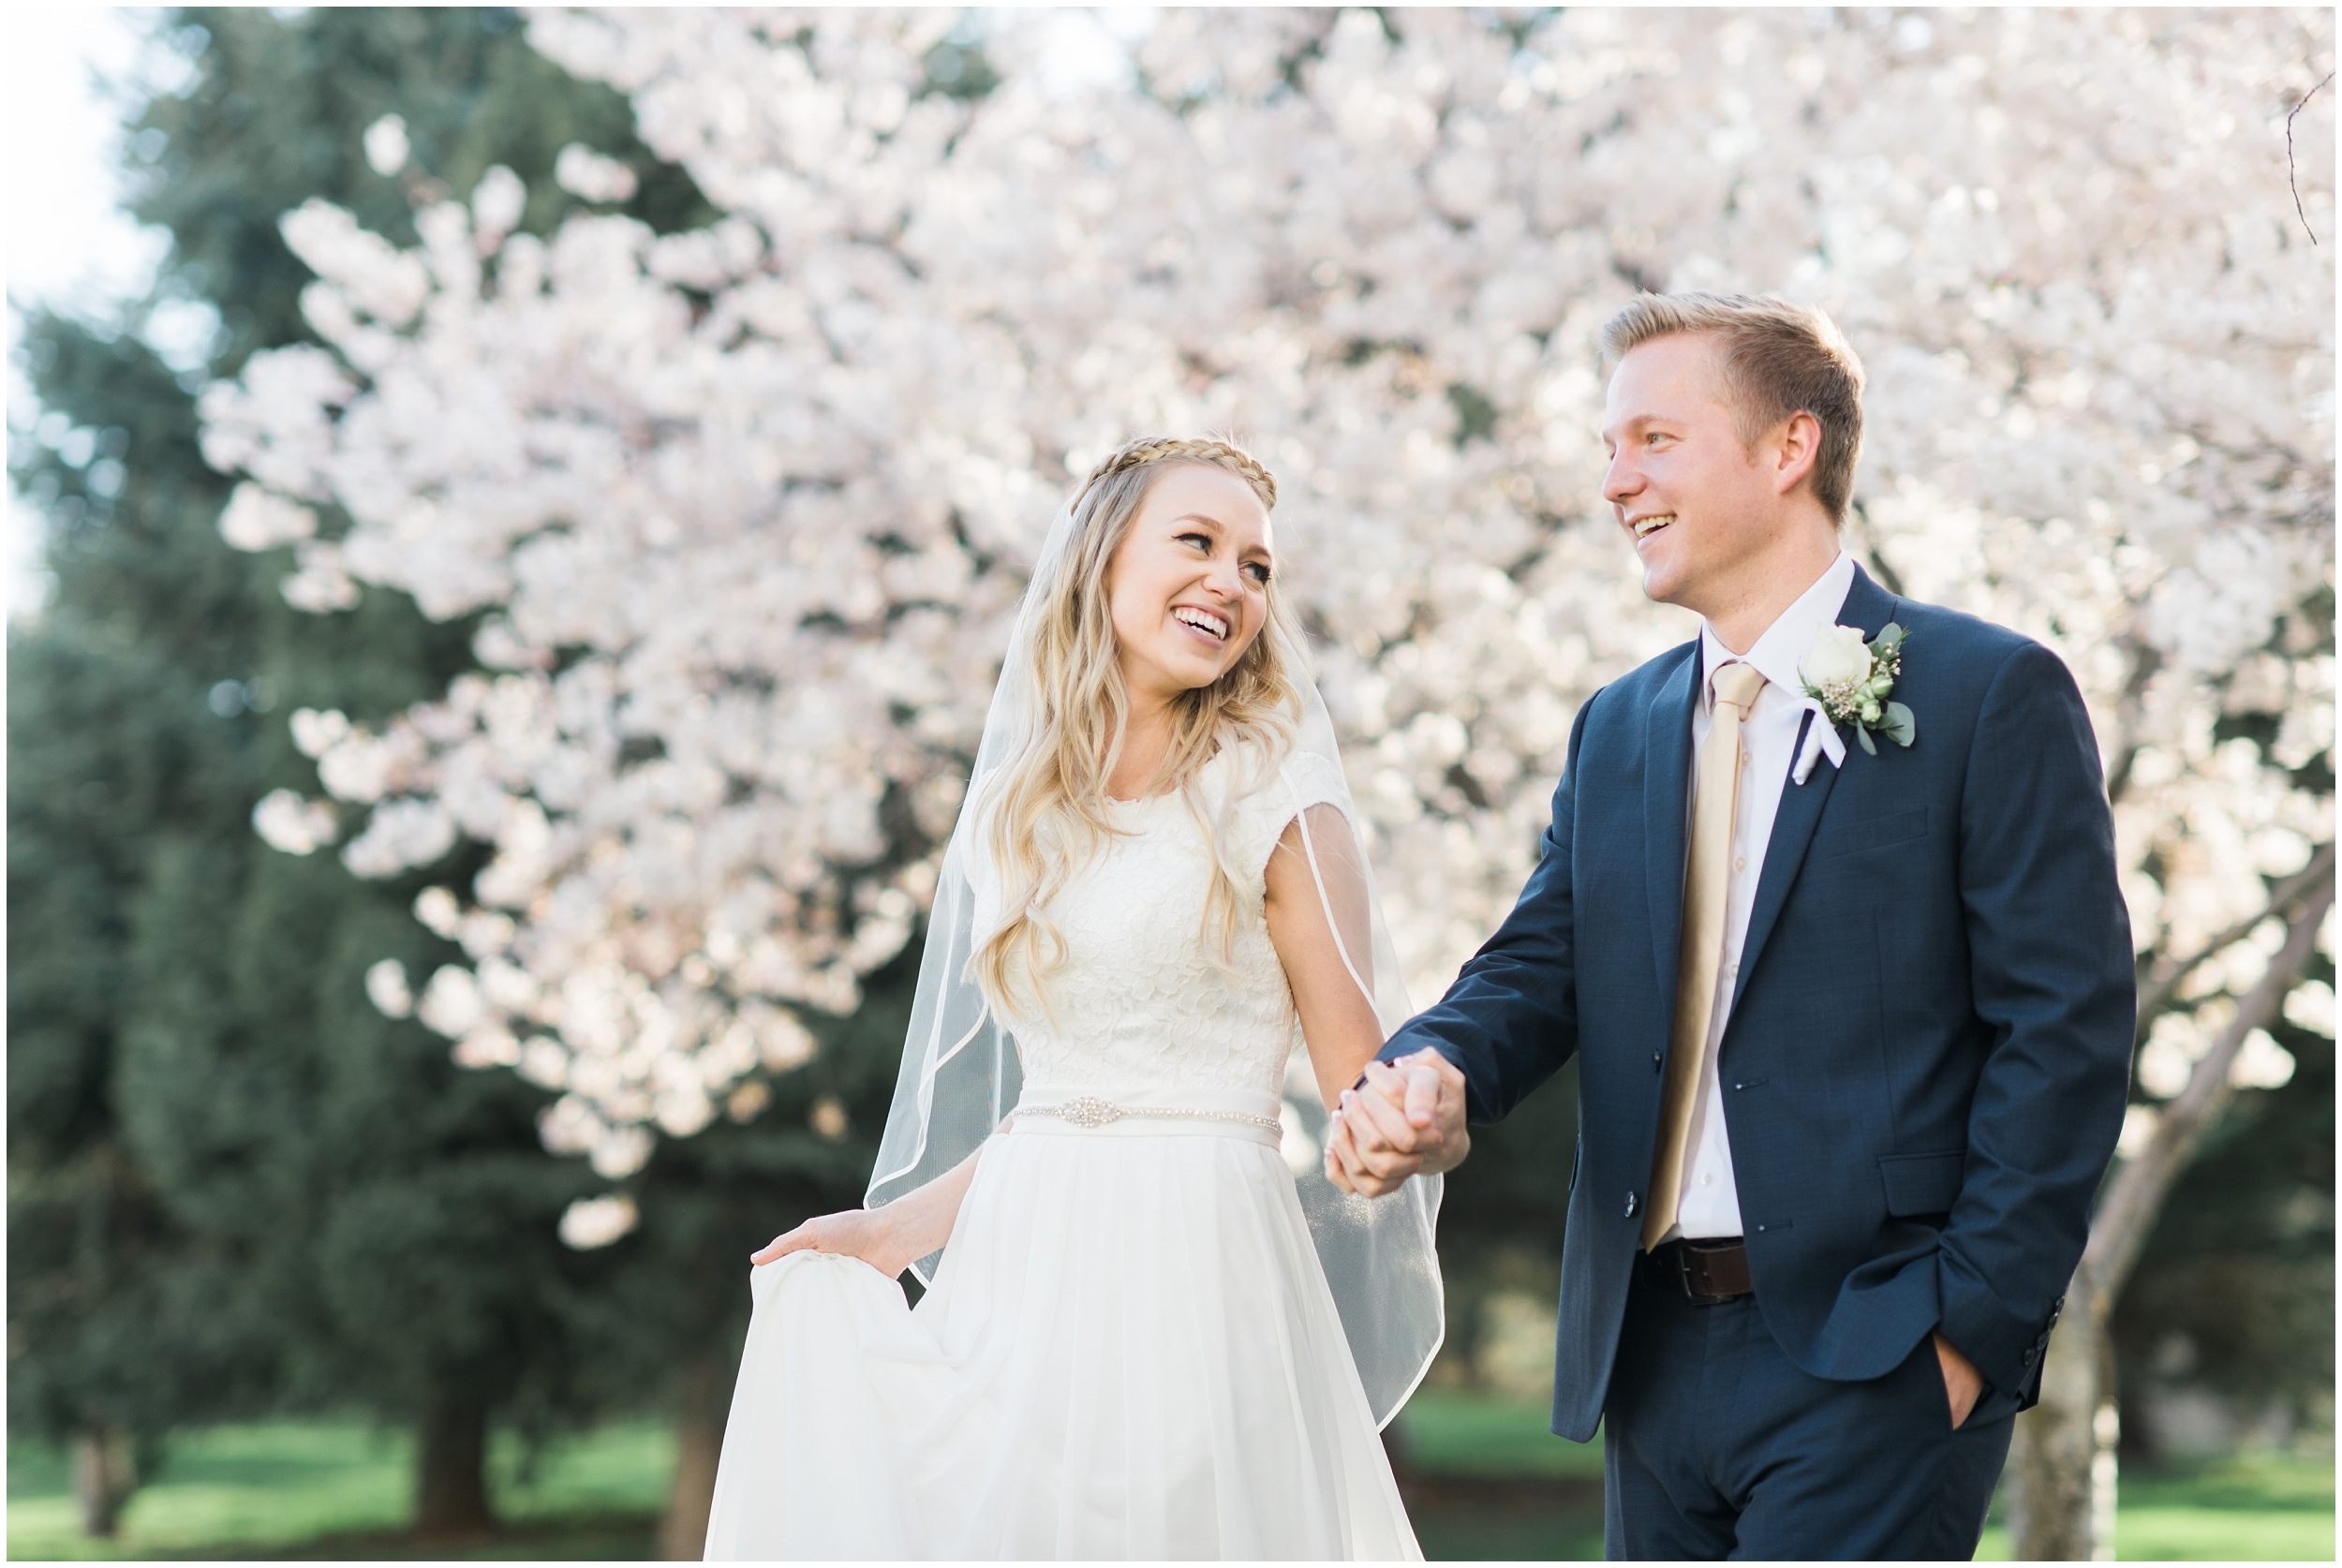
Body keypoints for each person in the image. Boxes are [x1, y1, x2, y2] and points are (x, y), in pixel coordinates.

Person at [1326, 292, 2133, 1560]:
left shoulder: (1988, 693)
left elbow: (2066, 1032)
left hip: (1878, 1352)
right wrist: (1434, 1065)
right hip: (1649, 1355)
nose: (1614, 483)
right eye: (1608, 448)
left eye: (1652, 439)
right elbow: (1539, 964)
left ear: (1787, 448)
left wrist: (1967, 1334)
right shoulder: (1621, 726)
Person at [701, 436, 1443, 1561]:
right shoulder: (1022, 808)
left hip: (1198, 1260)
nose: (1231, 584)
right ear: (1100, 562)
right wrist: (897, 1230)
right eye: (1195, 543)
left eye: (1256, 567)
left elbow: (1364, 1085)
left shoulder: (1276, 794)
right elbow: (1063, 1095)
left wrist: (1415, 1122)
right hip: (1023, 1259)